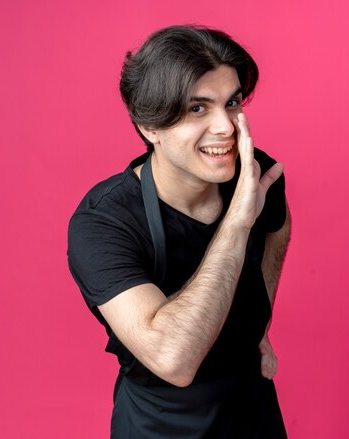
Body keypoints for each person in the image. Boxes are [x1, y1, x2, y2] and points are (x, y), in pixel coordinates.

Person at [68, 24, 291, 438]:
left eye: (233, 103)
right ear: (149, 126)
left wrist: (256, 319)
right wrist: (238, 221)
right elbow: (174, 358)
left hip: (252, 409)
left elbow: (277, 228)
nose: (226, 127)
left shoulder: (256, 172)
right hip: (162, 422)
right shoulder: (104, 222)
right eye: (198, 108)